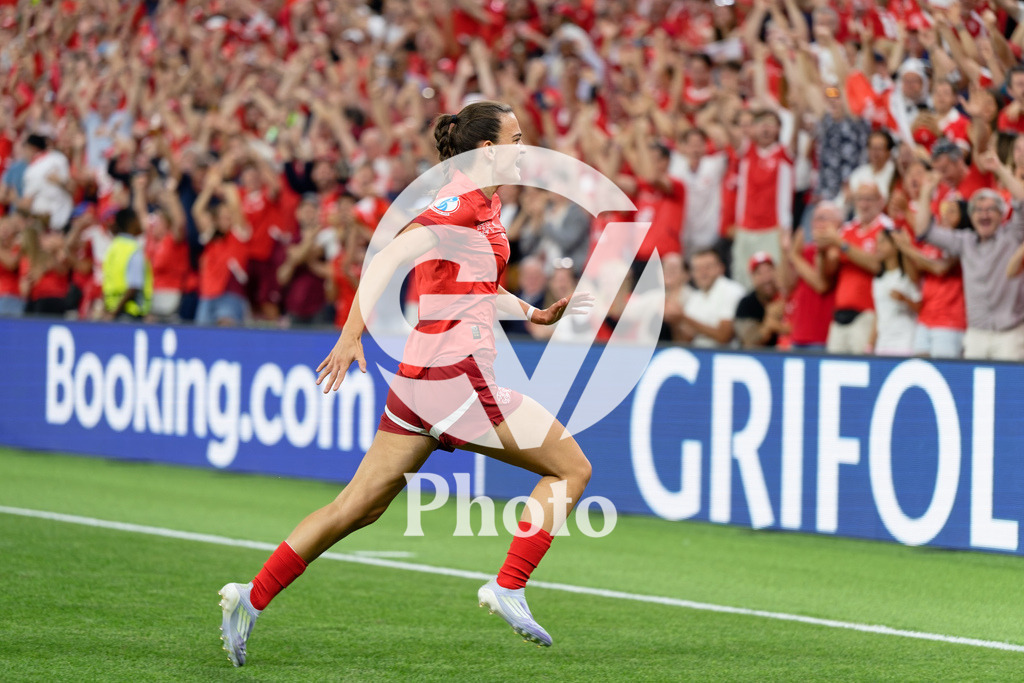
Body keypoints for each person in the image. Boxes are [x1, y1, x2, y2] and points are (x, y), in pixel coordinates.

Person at [217, 102, 594, 666]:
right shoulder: (459, 202)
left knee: (357, 508)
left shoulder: (486, 203)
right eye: (516, 138)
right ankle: (509, 583)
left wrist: (531, 313)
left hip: (421, 386)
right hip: (455, 381)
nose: (525, 147)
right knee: (571, 469)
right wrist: (351, 335)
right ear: (487, 149)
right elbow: (389, 257)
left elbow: (474, 286)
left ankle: (251, 596)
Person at [913, 152, 1024, 361]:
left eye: (991, 210)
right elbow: (924, 231)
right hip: (976, 335)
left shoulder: (1013, 236)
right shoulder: (965, 241)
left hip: (1010, 334)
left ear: (1002, 215)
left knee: (1010, 392)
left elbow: (1022, 201)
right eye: (978, 210)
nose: (984, 214)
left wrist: (999, 169)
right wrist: (927, 191)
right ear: (971, 217)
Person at [816, 182, 890, 355]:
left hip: (867, 315)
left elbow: (877, 265)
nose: (864, 205)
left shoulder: (886, 229)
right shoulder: (847, 230)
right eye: (860, 199)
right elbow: (828, 273)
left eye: (869, 199)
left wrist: (841, 244)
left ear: (881, 201)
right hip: (840, 315)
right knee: (832, 370)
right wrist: (821, 252)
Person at [676, 248, 745, 348]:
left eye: (708, 267)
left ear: (721, 268)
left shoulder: (731, 291)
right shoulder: (695, 297)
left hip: (725, 357)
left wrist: (685, 318)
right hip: (699, 354)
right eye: (697, 268)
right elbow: (686, 339)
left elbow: (724, 337)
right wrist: (675, 321)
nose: (703, 273)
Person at [871, 228, 921, 356]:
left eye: (883, 242)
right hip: (883, 342)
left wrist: (904, 299)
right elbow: (878, 314)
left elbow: (920, 307)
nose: (878, 246)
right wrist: (870, 343)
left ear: (895, 245)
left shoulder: (906, 276)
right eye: (877, 242)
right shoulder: (877, 279)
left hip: (905, 341)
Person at [101, 207, 152, 321]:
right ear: (132, 222)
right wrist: (114, 313)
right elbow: (133, 287)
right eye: (138, 219)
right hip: (129, 313)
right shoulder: (133, 249)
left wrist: (107, 311)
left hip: (111, 310)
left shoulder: (113, 248)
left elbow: (107, 282)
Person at [734, 252, 786, 349]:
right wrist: (769, 323)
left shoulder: (787, 296)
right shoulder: (746, 304)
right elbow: (749, 341)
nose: (766, 278)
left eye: (769, 270)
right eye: (759, 273)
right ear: (752, 277)